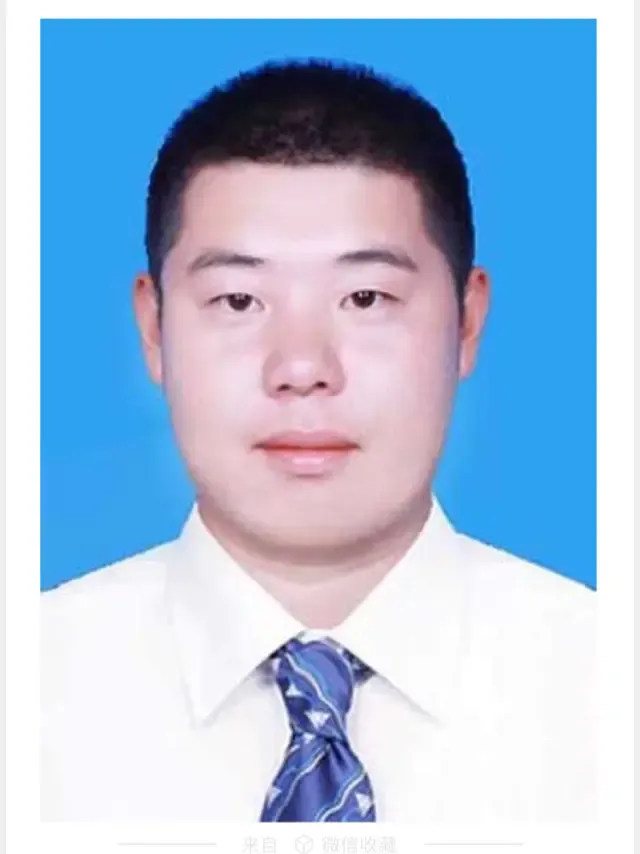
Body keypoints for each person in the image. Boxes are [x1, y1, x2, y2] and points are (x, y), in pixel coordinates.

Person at [41, 59, 595, 823]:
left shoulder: (605, 685)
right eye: (239, 300)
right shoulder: (31, 689)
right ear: (154, 328)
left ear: (467, 322)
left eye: (365, 297)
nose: (302, 368)